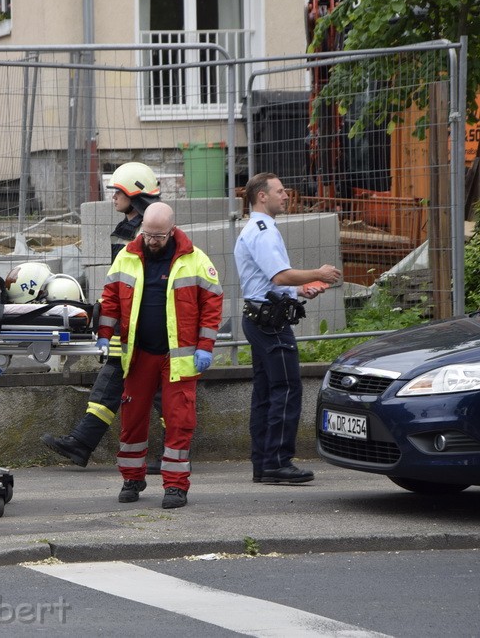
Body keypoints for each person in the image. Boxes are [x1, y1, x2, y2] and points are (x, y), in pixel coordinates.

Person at [97, 202, 222, 509]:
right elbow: (110, 299)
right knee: (132, 420)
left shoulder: (194, 260)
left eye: (159, 236)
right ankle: (132, 478)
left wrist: (205, 348)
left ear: (172, 230)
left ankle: (176, 486)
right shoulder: (126, 257)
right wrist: (103, 336)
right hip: (138, 355)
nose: (152, 241)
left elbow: (212, 306)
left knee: (179, 421)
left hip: (178, 357)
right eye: (148, 234)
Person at [41, 162, 165, 473]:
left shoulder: (150, 233)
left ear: (134, 194)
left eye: (118, 192)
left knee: (164, 393)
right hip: (129, 323)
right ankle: (81, 443)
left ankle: (174, 452)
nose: (113, 197)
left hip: (152, 327)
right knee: (110, 383)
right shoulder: (128, 230)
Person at [234, 172, 341, 484]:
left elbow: (267, 281)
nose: (286, 196)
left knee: (266, 391)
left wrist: (298, 292)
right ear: (262, 196)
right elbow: (279, 276)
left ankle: (264, 463)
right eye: (279, 191)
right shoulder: (264, 230)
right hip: (270, 323)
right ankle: (278, 462)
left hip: (261, 316)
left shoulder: (256, 228)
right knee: (286, 389)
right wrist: (315, 274)